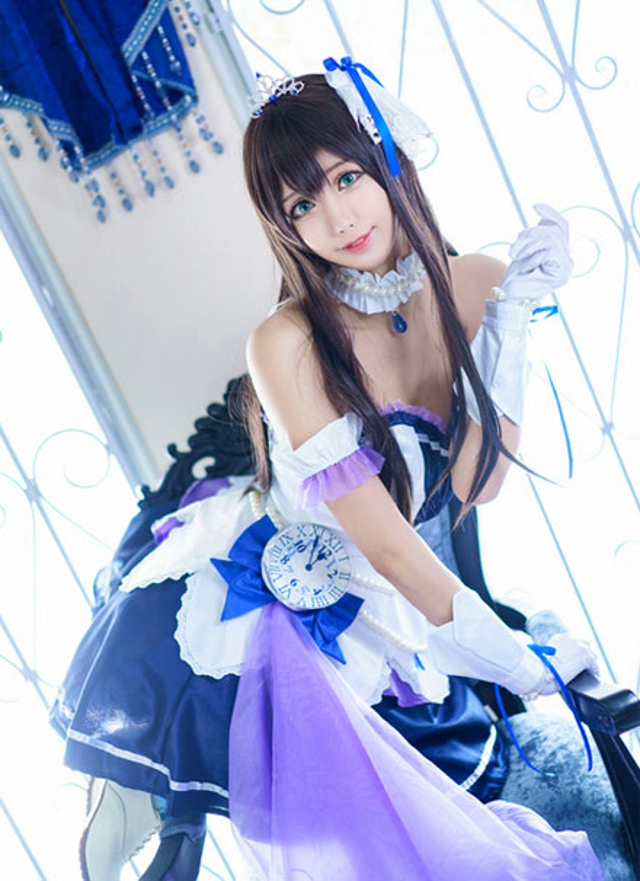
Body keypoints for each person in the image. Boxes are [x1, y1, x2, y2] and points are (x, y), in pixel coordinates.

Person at [51, 59, 608, 880]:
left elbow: (474, 486)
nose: (337, 218)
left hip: (386, 607)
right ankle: (148, 798)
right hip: (269, 599)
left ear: (388, 159)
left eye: (348, 177)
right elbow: (385, 544)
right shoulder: (285, 343)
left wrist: (513, 326)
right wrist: (524, 666)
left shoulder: (477, 283)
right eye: (302, 205)